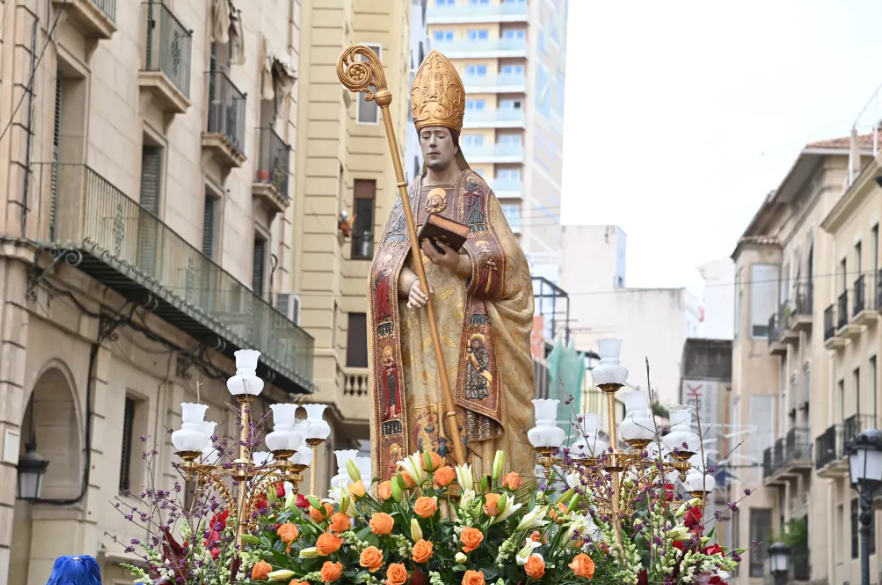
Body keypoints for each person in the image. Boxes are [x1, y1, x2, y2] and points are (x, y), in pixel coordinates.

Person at [368, 50, 535, 480]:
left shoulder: (475, 190)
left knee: (461, 426)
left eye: (440, 134)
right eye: (425, 135)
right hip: (419, 338)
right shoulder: (410, 194)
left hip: (465, 332)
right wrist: (406, 283)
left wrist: (461, 264)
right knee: (425, 423)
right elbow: (383, 265)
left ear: (455, 138)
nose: (432, 143)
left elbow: (509, 261)